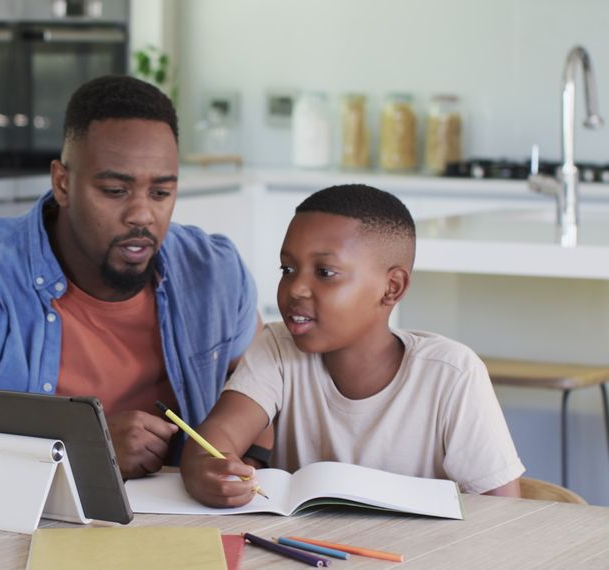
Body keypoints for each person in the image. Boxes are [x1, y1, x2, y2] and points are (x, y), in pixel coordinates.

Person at [0, 75, 264, 479]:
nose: (142, 215)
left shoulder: (215, 272)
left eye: (160, 193)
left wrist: (253, 463)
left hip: (183, 530)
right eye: (114, 191)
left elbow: (273, 390)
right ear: (63, 183)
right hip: (17, 532)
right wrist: (80, 445)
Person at [181, 184, 525, 507]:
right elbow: (216, 439)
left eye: (325, 272)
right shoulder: (278, 348)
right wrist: (207, 469)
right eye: (287, 268)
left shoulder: (452, 374)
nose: (295, 288)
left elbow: (503, 512)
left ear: (392, 287)